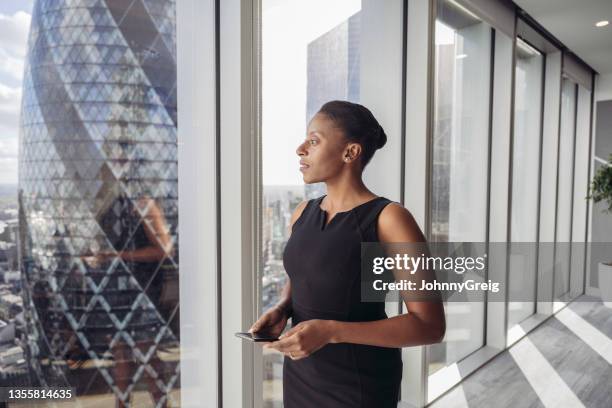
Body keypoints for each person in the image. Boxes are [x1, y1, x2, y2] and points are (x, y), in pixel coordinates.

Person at [249, 100, 446, 407]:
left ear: (350, 153)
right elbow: (305, 276)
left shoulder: (390, 219)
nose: (300, 149)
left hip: (358, 384)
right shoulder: (302, 213)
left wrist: (330, 331)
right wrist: (283, 309)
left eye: (314, 141)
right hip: (302, 375)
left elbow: (430, 326)